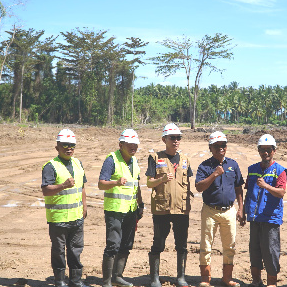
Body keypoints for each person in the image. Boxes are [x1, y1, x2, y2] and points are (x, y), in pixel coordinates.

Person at [146, 123, 194, 287]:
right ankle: (154, 278)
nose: (175, 141)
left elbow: (187, 182)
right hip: (162, 209)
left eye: (178, 138)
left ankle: (181, 277)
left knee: (181, 244)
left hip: (181, 209)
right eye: (172, 138)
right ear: (164, 139)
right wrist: (162, 179)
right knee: (158, 242)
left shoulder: (185, 160)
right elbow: (149, 183)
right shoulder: (155, 158)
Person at [195, 131, 245, 287]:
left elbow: (238, 188)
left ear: (226, 147)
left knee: (229, 246)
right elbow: (199, 187)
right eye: (216, 146)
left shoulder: (233, 165)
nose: (220, 149)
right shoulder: (204, 166)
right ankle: (205, 279)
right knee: (206, 246)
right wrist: (214, 174)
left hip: (229, 211)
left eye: (223, 145)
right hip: (210, 211)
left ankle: (227, 277)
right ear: (210, 147)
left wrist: (241, 208)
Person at [41, 129, 90, 287]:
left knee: (76, 250)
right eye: (65, 145)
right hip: (59, 219)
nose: (69, 148)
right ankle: (60, 281)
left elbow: (82, 187)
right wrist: (63, 185)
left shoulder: (78, 163)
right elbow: (45, 190)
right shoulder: (51, 166)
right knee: (59, 251)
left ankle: (75, 280)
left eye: (72, 145)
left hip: (76, 218)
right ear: (57, 147)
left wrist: (84, 205)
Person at [98, 129, 144, 287]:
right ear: (121, 144)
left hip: (131, 211)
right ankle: (106, 282)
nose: (133, 147)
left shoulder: (135, 161)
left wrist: (141, 203)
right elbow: (101, 184)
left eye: (135, 144)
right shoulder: (111, 160)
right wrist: (116, 182)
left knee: (126, 245)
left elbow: (136, 185)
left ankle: (117, 276)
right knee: (113, 245)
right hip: (115, 210)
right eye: (130, 144)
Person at [242, 134, 287, 287]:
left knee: (270, 251)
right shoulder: (252, 169)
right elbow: (248, 192)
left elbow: (281, 192)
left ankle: (272, 283)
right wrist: (243, 211)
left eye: (269, 150)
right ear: (259, 151)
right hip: (255, 218)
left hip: (270, 219)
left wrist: (266, 186)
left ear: (274, 151)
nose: (265, 152)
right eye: (262, 149)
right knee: (254, 250)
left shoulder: (280, 170)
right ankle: (256, 281)